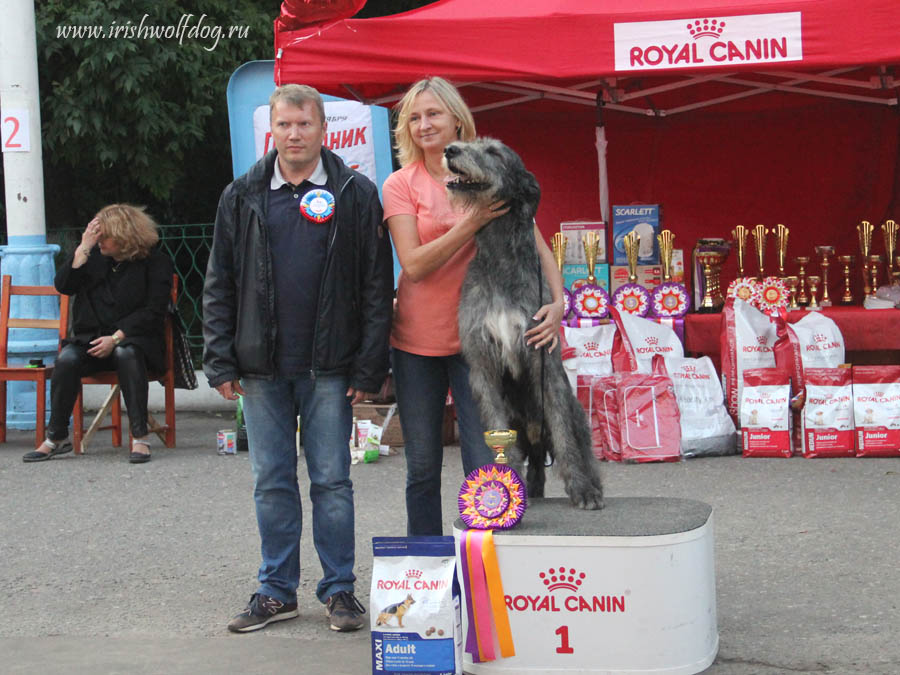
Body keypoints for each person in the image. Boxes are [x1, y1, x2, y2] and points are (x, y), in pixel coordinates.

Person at [203, 84, 393, 634]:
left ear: (322, 129)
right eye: (284, 125)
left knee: (333, 481)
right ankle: (276, 590)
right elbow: (220, 282)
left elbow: (377, 287)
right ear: (273, 130)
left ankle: (339, 591)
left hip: (331, 368)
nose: (293, 134)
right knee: (271, 481)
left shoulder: (356, 193)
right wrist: (220, 360)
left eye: (303, 125)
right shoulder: (240, 195)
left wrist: (368, 366)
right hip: (260, 368)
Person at [382, 77, 565, 536]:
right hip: (416, 343)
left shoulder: (488, 172)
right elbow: (415, 265)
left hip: (481, 345)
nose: (424, 125)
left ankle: (492, 570)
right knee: (422, 467)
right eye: (415, 117)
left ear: (456, 119)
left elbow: (536, 246)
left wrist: (560, 302)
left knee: (489, 460)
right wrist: (475, 220)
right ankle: (426, 576)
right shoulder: (400, 184)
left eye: (434, 114)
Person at [21, 204, 174, 465]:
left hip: (136, 340)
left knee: (127, 354)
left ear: (125, 236)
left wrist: (115, 338)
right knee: (67, 359)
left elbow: (154, 310)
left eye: (104, 235)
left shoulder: (155, 262)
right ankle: (56, 438)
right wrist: (82, 248)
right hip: (91, 340)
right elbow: (64, 286)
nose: (99, 241)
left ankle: (140, 437)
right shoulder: (93, 258)